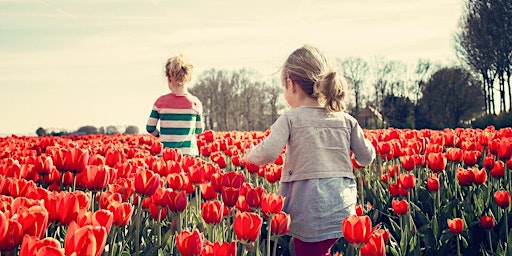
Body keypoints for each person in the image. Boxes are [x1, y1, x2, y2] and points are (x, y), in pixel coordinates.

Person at [242, 45, 375, 256]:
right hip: (341, 205)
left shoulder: (290, 119)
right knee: (323, 250)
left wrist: (248, 156)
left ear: (290, 84)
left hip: (309, 208)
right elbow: (367, 156)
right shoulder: (346, 120)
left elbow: (268, 153)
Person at [146, 54, 204, 156]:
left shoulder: (160, 102)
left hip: (166, 155)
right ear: (189, 79)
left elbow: (150, 127)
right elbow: (200, 130)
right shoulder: (195, 103)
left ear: (169, 78)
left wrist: (160, 135)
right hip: (189, 154)